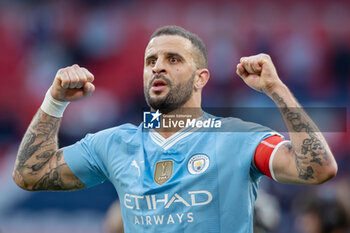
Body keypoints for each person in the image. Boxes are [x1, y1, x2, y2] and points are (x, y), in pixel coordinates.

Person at [12, 25, 337, 233]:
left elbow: (317, 169)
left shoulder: (238, 137)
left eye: (173, 59)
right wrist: (54, 102)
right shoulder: (114, 143)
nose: (158, 66)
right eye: (150, 60)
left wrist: (276, 89)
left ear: (201, 78)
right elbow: (30, 174)